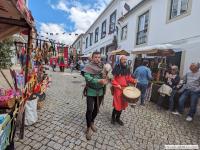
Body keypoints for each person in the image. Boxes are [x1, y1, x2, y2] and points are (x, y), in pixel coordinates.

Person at [82, 51, 107, 140]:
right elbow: (87, 77)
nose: (97, 59)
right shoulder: (88, 66)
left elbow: (107, 76)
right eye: (95, 57)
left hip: (100, 91)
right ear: (92, 58)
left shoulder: (103, 66)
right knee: (89, 109)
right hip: (91, 91)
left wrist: (107, 77)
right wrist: (98, 81)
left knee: (96, 109)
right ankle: (88, 128)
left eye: (99, 57)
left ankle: (92, 122)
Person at [111, 55, 136, 126]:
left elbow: (128, 78)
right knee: (117, 104)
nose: (125, 61)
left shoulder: (127, 69)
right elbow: (113, 79)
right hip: (118, 89)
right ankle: (113, 118)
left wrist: (134, 80)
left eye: (125, 59)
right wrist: (117, 85)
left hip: (125, 89)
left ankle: (117, 118)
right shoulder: (116, 68)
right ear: (120, 60)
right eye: (123, 59)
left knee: (122, 104)